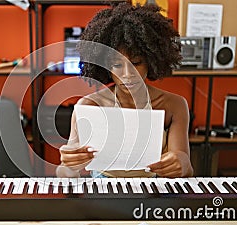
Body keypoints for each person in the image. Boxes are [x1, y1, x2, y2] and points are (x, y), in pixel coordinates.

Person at [56, 2, 194, 178]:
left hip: (153, 191)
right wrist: (68, 164)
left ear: (152, 60)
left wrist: (181, 162)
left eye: (136, 63)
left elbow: (187, 169)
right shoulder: (89, 106)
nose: (128, 74)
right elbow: (65, 171)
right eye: (117, 65)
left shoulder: (174, 105)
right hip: (104, 192)